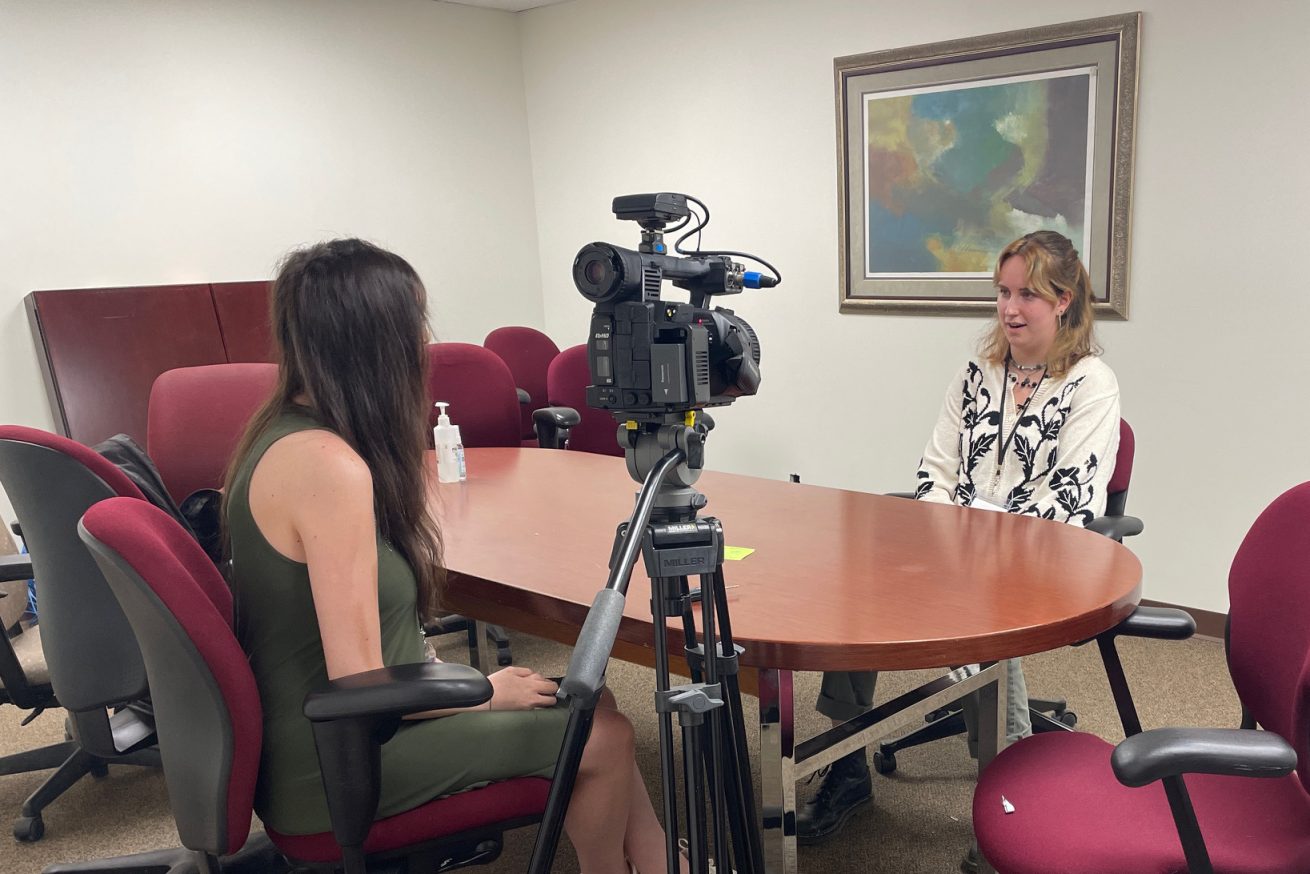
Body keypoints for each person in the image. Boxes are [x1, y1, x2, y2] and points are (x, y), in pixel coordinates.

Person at [223, 238, 682, 874]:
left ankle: (659, 863)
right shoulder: (328, 469)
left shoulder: (285, 435)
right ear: (379, 345)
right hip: (338, 766)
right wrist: (485, 694)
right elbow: (362, 681)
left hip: (337, 736)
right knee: (603, 737)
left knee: (592, 702)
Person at [797, 230, 1121, 848]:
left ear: (1064, 300)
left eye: (1028, 293)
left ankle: (1005, 800)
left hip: (1043, 551)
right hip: (953, 543)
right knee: (853, 588)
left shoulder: (1092, 383)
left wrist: (972, 552)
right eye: (1003, 292)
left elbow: (1067, 496)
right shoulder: (978, 371)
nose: (1010, 308)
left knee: (979, 620)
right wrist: (944, 540)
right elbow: (937, 469)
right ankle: (846, 766)